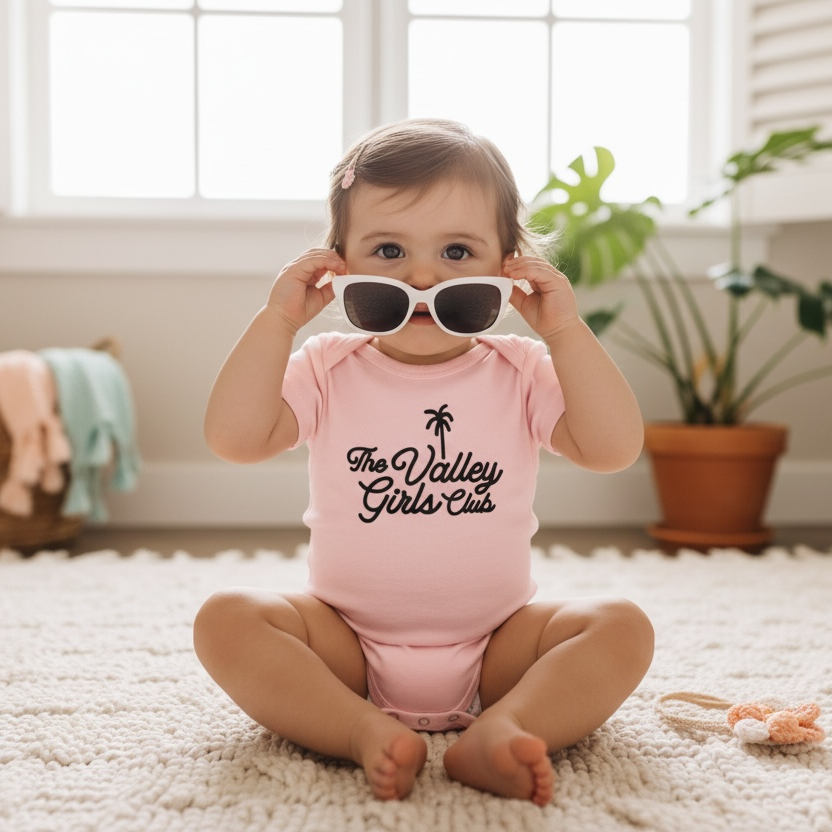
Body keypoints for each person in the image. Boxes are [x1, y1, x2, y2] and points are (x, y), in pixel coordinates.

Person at [194, 119, 654, 806]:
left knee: (622, 626)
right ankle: (358, 729)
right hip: (342, 644)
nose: (422, 275)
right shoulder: (326, 366)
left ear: (509, 266)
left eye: (457, 250)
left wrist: (564, 331)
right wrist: (278, 321)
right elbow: (236, 437)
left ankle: (505, 728)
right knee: (225, 618)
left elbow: (613, 448)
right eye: (388, 249)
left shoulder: (522, 368)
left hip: (500, 644)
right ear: (337, 264)